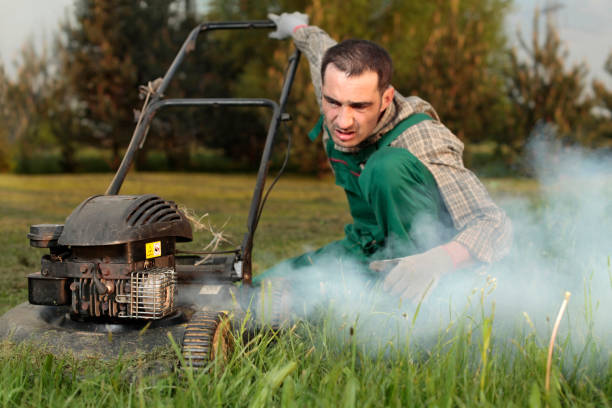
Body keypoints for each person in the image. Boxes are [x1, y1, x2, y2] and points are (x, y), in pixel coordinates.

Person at [255, 12, 512, 303]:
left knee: (385, 167)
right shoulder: (335, 86)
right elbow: (320, 51)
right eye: (333, 103)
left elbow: (494, 225)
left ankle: (412, 303)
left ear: (386, 99)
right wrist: (297, 27)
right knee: (261, 291)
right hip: (365, 247)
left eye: (360, 106)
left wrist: (436, 262)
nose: (343, 121)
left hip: (428, 262)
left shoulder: (422, 138)